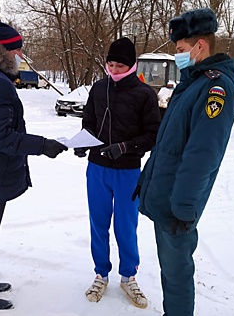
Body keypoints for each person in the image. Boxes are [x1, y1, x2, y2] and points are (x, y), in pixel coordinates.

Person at [133, 8, 234, 316]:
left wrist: (183, 209)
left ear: (200, 46)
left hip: (177, 206)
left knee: (178, 277)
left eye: (180, 50)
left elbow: (202, 156)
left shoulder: (214, 88)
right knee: (170, 272)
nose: (178, 56)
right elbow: (169, 145)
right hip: (165, 198)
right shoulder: (192, 83)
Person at [0, 22, 68, 311]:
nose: (22, 54)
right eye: (18, 48)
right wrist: (43, 145)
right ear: (4, 50)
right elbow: (0, 138)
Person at [75, 37, 161, 308]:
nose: (113, 69)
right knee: (98, 224)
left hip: (127, 172)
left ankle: (128, 276)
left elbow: (153, 135)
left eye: (119, 65)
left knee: (126, 225)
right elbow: (88, 122)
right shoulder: (98, 89)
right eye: (110, 64)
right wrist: (81, 143)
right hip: (97, 169)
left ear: (132, 65)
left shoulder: (145, 94)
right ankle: (101, 273)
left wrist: (125, 147)